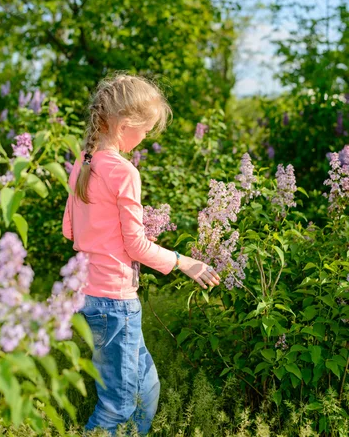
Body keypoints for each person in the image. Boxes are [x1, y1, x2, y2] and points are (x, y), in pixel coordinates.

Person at [62, 72, 220, 436]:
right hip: (114, 303)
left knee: (147, 390)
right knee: (117, 405)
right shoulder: (124, 172)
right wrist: (184, 261)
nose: (146, 137)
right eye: (146, 130)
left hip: (91, 296)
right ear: (124, 127)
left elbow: (69, 229)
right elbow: (135, 246)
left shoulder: (83, 163)